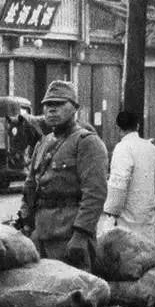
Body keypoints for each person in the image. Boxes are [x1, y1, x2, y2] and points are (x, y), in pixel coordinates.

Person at [16, 80, 108, 272]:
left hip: (69, 238)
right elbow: (30, 187)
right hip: (40, 236)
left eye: (59, 104)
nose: (52, 109)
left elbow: (95, 194)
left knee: (75, 289)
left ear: (75, 108)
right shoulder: (43, 143)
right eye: (48, 104)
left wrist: (81, 235)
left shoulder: (87, 142)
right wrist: (25, 221)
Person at [102, 111, 155, 242]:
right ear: (138, 126)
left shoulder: (122, 148)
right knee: (147, 250)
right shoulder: (151, 148)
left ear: (117, 128)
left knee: (127, 251)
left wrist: (111, 212)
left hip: (126, 220)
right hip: (146, 217)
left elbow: (119, 184)